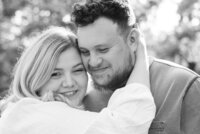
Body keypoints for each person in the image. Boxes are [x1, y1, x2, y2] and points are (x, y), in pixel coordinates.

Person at [71, 0, 200, 133]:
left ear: (132, 39)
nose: (93, 62)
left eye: (103, 49)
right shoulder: (83, 99)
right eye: (85, 52)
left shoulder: (183, 86)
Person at [0, 26, 155, 134]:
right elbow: (126, 126)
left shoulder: (21, 111)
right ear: (34, 76)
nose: (69, 83)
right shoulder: (35, 115)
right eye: (55, 74)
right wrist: (141, 53)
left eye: (78, 70)